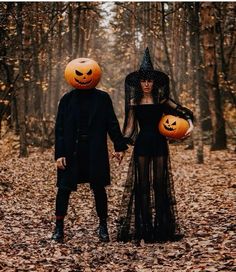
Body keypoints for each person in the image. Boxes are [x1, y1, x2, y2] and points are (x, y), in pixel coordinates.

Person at [117, 48, 194, 244]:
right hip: (142, 144)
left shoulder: (162, 99)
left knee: (159, 185)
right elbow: (129, 127)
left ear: (154, 82)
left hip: (159, 143)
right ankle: (145, 229)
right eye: (144, 80)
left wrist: (186, 126)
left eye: (150, 81)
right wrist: (121, 145)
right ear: (139, 82)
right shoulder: (134, 101)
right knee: (143, 186)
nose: (146, 84)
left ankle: (162, 228)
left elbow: (183, 114)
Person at [52, 58, 127, 243]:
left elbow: (112, 123)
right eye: (79, 74)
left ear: (95, 74)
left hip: (95, 151)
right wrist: (59, 153)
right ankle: (58, 228)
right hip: (71, 152)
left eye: (88, 73)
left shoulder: (103, 98)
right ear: (72, 75)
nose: (84, 77)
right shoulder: (67, 100)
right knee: (63, 189)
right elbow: (59, 128)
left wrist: (119, 146)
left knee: (99, 189)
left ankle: (103, 228)